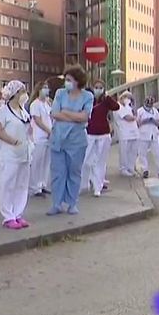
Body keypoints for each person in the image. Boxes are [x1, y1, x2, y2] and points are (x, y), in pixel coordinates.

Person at [48, 66, 93, 216]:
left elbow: (85, 117)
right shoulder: (60, 94)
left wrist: (65, 112)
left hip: (76, 141)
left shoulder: (87, 96)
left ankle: (72, 203)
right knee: (58, 173)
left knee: (74, 172)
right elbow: (55, 114)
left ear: (77, 81)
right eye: (65, 79)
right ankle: (57, 203)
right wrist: (74, 115)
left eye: (69, 80)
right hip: (58, 139)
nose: (66, 82)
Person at [0, 80, 33, 230]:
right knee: (8, 184)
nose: (24, 95)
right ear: (15, 94)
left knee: (22, 185)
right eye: (22, 91)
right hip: (10, 154)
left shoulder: (23, 111)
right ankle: (8, 216)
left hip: (24, 153)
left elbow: (28, 128)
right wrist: (12, 141)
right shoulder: (3, 111)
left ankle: (18, 213)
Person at [81, 80, 120, 197]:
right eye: (96, 87)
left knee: (100, 161)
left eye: (100, 87)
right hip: (90, 133)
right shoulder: (88, 99)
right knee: (86, 159)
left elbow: (116, 107)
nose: (98, 89)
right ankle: (85, 182)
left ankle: (98, 186)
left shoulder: (106, 100)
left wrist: (108, 97)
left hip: (103, 133)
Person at [29, 80, 52, 197]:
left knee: (46, 162)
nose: (46, 90)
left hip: (49, 137)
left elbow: (51, 118)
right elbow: (38, 120)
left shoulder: (47, 104)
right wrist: (48, 131)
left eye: (47, 87)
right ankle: (35, 187)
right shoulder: (35, 104)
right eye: (44, 87)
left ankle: (43, 184)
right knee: (37, 162)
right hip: (39, 137)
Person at [136, 96, 159, 179]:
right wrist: (145, 121)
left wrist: (154, 121)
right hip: (143, 134)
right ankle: (145, 170)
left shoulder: (154, 111)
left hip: (154, 134)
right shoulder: (140, 111)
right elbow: (137, 123)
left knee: (158, 153)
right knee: (142, 153)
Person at [113, 91, 139, 176]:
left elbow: (134, 113)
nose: (128, 99)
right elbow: (127, 117)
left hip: (133, 131)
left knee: (133, 151)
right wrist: (136, 118)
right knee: (124, 151)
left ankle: (130, 167)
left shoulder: (128, 106)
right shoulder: (118, 106)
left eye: (129, 98)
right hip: (124, 132)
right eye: (126, 97)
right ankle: (123, 168)